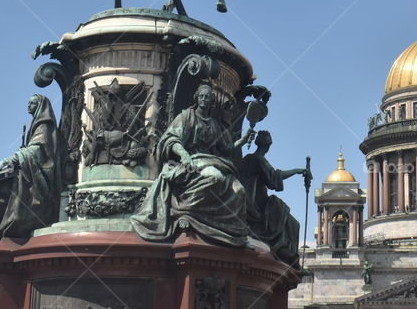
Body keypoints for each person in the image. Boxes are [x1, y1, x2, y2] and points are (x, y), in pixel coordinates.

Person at [131, 84, 254, 246]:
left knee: (240, 191)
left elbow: (225, 149)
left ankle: (233, 233)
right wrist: (183, 154)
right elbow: (171, 139)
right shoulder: (186, 117)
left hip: (211, 161)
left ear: (212, 100)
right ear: (196, 97)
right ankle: (185, 211)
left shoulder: (214, 124)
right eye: (201, 96)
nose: (204, 99)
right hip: (191, 160)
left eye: (208, 97)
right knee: (215, 178)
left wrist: (243, 140)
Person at [0, 94, 64, 253]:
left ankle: (7, 224)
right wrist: (20, 154)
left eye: (32, 103)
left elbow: (37, 151)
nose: (28, 106)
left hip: (42, 175)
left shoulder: (44, 126)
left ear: (40, 106)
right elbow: (31, 151)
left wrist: (7, 161)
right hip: (30, 169)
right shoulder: (37, 126)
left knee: (2, 182)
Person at [239, 131, 311, 267]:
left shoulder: (250, 158)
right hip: (256, 206)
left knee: (287, 217)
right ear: (268, 145)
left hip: (251, 202)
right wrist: (297, 171)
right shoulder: (257, 160)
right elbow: (274, 179)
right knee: (293, 224)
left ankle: (287, 253)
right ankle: (289, 256)